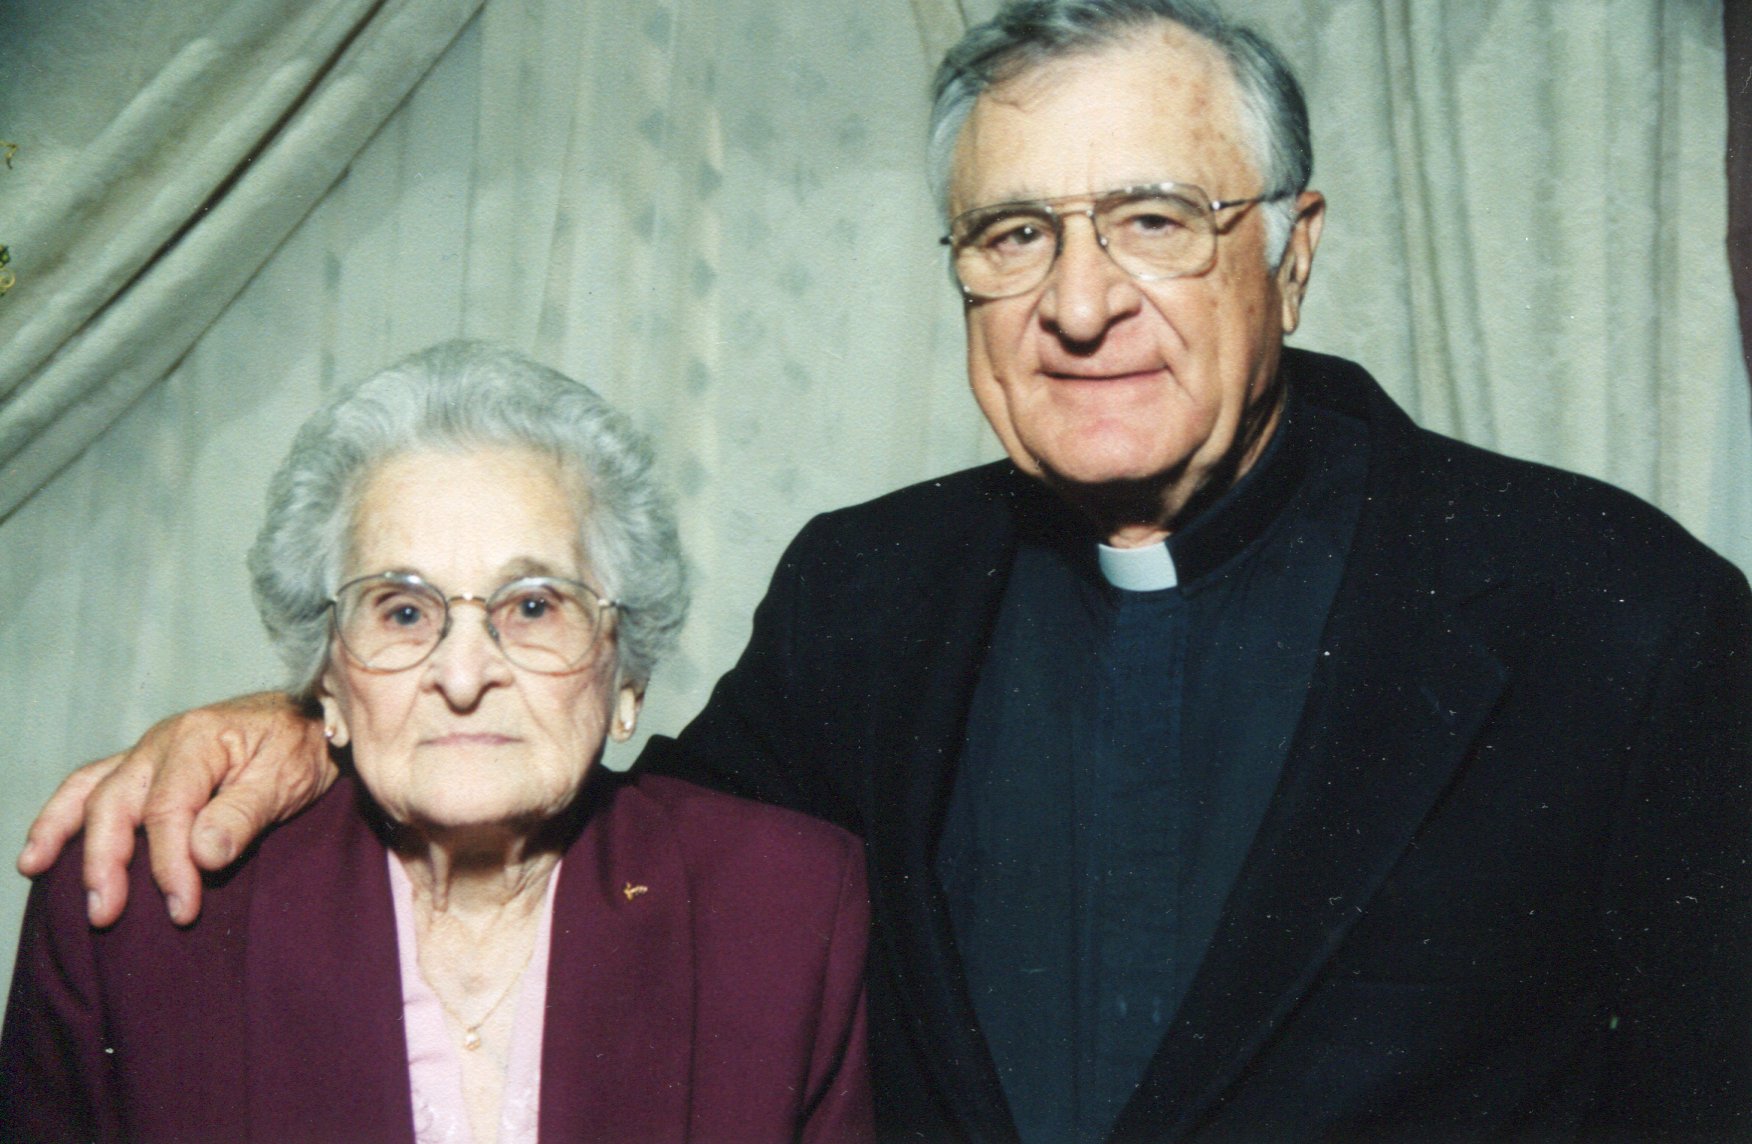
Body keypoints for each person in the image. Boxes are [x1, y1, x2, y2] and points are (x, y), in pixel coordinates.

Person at [17, 0, 1752, 1139]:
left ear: (1293, 253)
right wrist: (303, 720)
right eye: (1015, 235)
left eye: (1157, 219)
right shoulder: (871, 594)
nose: (1081, 302)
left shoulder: (1616, 615)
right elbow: (605, 831)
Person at [1, 342, 874, 1143]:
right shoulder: (136, 919)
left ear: (625, 675)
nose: (462, 677)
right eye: (403, 612)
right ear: (328, 676)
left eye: (533, 606)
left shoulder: (785, 913)